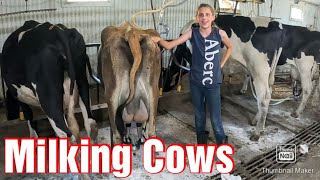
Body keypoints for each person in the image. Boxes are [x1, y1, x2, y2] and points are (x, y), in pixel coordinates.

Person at [152, 3, 233, 145]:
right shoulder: (192, 33)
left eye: (207, 15)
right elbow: (171, 45)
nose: (204, 18)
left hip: (213, 84)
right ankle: (201, 144)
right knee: (199, 116)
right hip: (196, 83)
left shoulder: (220, 34)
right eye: (201, 15)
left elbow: (230, 46)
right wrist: (159, 40)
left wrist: (221, 64)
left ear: (213, 17)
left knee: (215, 119)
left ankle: (222, 146)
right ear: (197, 18)